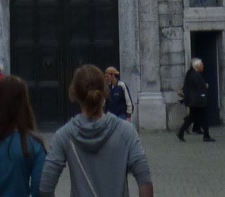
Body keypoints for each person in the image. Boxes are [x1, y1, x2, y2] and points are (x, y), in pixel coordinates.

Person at [40, 65, 152, 197]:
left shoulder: (64, 135)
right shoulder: (126, 132)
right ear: (105, 90)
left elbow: (45, 187)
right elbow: (144, 181)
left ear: (74, 94)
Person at [176, 58, 212, 141]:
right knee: (203, 118)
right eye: (201, 65)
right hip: (197, 100)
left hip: (193, 100)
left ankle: (181, 133)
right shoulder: (196, 76)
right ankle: (206, 136)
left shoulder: (191, 74)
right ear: (198, 66)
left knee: (192, 117)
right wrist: (205, 86)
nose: (203, 66)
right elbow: (201, 87)